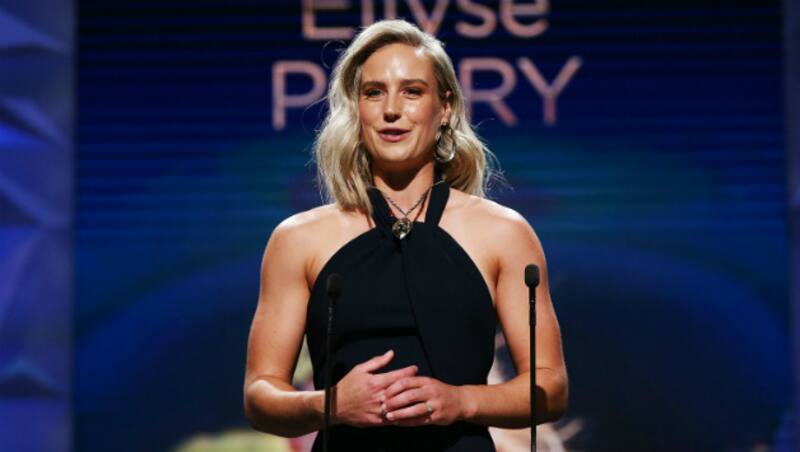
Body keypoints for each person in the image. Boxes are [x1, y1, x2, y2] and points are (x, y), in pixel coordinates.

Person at [244, 19, 567, 451]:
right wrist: (332, 404)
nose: (391, 109)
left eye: (412, 91)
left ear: (446, 107)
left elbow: (550, 387)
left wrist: (461, 401)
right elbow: (260, 393)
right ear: (356, 109)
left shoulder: (503, 233)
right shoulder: (299, 239)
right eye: (374, 92)